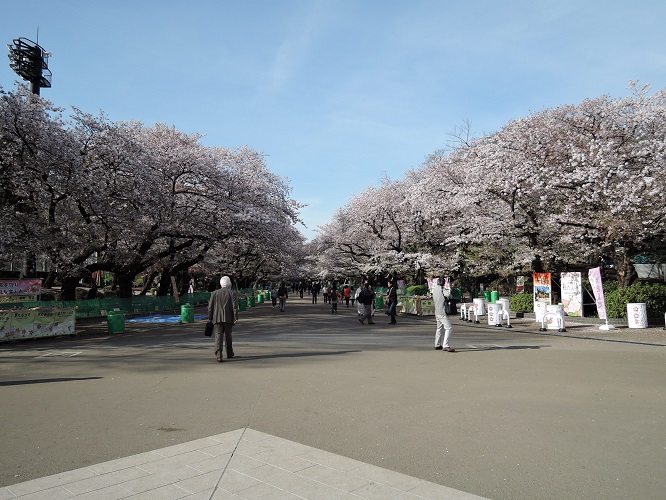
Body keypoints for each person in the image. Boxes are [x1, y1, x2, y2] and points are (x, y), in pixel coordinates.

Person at [208, 276, 238, 362]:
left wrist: (210, 317)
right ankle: (229, 353)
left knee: (218, 336)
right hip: (228, 318)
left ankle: (219, 354)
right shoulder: (231, 293)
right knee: (228, 336)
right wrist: (236, 317)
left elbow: (210, 307)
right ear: (229, 284)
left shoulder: (214, 293)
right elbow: (234, 307)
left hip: (217, 318)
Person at [433, 278, 455, 352]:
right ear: (443, 283)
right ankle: (446, 345)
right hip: (442, 312)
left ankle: (437, 344)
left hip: (437, 311)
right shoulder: (442, 289)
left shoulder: (435, 290)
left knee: (439, 328)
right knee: (448, 327)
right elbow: (448, 295)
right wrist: (449, 290)